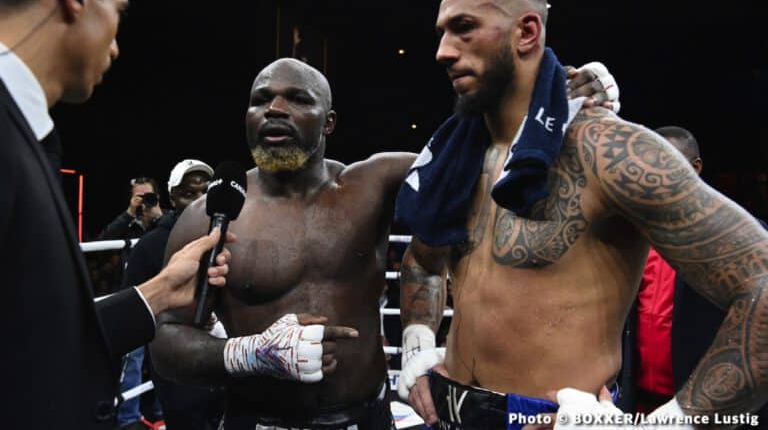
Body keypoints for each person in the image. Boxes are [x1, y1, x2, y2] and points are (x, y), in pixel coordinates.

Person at [150, 57, 618, 430]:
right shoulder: (209, 215)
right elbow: (165, 343)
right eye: (261, 100)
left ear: (329, 122)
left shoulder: (370, 184)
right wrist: (251, 353)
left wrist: (565, 105)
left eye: (297, 99)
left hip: (366, 417)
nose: (275, 109)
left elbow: (484, 162)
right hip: (255, 419)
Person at [396, 0, 768, 430]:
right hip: (448, 411)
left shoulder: (609, 154)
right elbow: (423, 261)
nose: (442, 52)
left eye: (463, 29)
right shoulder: (457, 155)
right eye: (441, 33)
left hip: (553, 417)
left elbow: (762, 284)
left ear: (526, 32)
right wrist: (414, 347)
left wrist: (668, 425)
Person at [0, 0, 233, 428]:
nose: (116, 42)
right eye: (119, 12)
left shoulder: (27, 135)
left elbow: (32, 343)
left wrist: (160, 292)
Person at [618, 126, 768, 422]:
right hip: (639, 404)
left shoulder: (735, 236)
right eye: (646, 165)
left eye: (666, 162)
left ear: (695, 168)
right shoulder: (631, 238)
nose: (654, 175)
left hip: (701, 407)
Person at [121, 159, 226, 430]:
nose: (199, 201)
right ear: (172, 197)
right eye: (189, 193)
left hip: (221, 360)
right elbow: (131, 309)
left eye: (205, 192)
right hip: (175, 361)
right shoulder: (150, 245)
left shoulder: (227, 236)